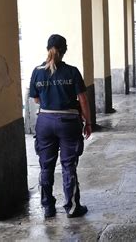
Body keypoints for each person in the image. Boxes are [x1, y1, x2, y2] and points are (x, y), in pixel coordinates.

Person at [29, 34, 92, 219]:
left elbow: (36, 99)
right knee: (68, 165)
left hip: (45, 122)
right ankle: (72, 207)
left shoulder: (37, 71)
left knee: (46, 166)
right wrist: (87, 122)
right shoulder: (72, 71)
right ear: (64, 51)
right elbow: (83, 99)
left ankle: (48, 207)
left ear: (47, 48)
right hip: (68, 122)